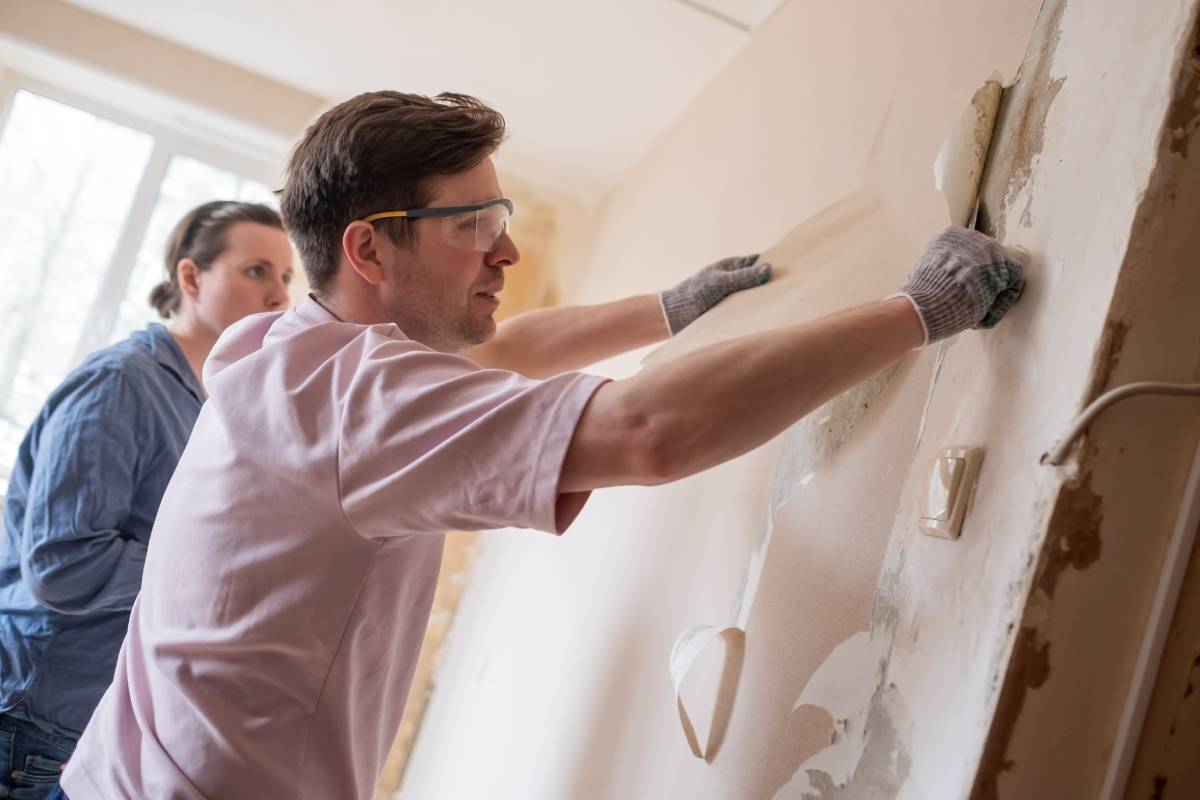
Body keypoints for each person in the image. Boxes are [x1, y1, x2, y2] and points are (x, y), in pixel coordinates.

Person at [61, 91, 1023, 800]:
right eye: (472, 225)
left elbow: (499, 352)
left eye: (503, 220)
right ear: (368, 249)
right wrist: (918, 311)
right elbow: (646, 433)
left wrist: (668, 307)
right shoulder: (353, 398)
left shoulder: (277, 348)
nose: (506, 251)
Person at [0, 200, 293, 799]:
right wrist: (212, 570)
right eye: (256, 271)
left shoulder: (208, 406)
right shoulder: (122, 381)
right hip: (30, 713)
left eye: (286, 277)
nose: (279, 297)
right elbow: (63, 563)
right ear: (191, 278)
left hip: (84, 727)